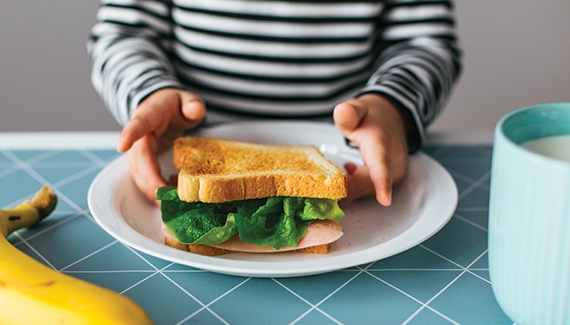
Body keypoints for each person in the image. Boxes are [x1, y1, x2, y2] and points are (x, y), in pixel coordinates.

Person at [88, 0, 461, 207]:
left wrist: (391, 107)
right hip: (187, 141)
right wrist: (149, 92)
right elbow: (123, 34)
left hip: (349, 153)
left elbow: (424, 44)